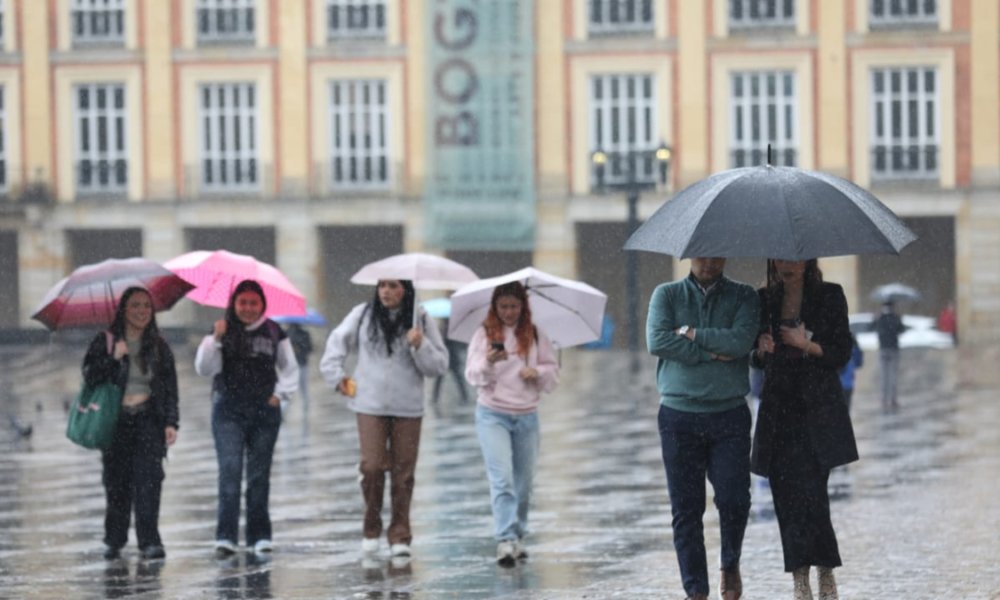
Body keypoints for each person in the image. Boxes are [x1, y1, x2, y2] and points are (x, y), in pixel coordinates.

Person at [645, 257, 759, 600]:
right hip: (679, 415)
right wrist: (711, 353)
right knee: (686, 508)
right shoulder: (666, 295)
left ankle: (730, 562)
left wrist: (693, 335)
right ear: (689, 256)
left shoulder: (744, 297)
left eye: (715, 255)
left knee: (735, 499)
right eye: (702, 255)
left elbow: (740, 343)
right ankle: (695, 589)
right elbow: (658, 342)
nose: (709, 263)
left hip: (730, 414)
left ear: (725, 256)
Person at [750, 259, 858, 600]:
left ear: (808, 258)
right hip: (778, 413)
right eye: (780, 256)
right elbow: (753, 355)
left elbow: (842, 352)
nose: (787, 264)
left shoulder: (830, 295)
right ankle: (799, 577)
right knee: (785, 497)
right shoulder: (764, 299)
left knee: (813, 495)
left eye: (794, 256)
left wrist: (805, 343)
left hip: (817, 412)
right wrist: (760, 351)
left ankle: (825, 569)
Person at [320, 279, 448, 559]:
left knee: (404, 474)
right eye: (382, 286)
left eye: (393, 286)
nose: (386, 292)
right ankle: (371, 524)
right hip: (370, 404)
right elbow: (336, 345)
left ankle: (400, 534)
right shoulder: (363, 314)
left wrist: (421, 344)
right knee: (372, 466)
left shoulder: (420, 318)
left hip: (408, 407)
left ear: (406, 290)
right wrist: (336, 377)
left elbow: (438, 365)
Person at [194, 279, 299, 558]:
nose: (248, 308)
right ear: (234, 304)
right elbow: (204, 369)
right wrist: (216, 340)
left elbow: (289, 368)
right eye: (243, 303)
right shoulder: (221, 329)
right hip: (228, 411)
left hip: (264, 412)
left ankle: (259, 535)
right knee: (230, 472)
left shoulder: (275, 331)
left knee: (258, 475)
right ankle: (225, 536)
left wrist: (281, 395)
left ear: (262, 304)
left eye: (254, 303)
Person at [463, 282, 560, 567]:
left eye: (514, 306)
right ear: (495, 307)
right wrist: (489, 363)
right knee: (502, 478)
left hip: (527, 414)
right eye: (503, 306)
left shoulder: (535, 334)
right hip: (493, 414)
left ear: (523, 307)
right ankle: (505, 538)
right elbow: (472, 374)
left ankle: (518, 534)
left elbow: (553, 373)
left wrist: (538, 372)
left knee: (524, 482)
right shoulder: (483, 334)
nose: (508, 312)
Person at [82, 286, 179, 561]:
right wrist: (114, 359)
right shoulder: (106, 341)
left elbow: (170, 388)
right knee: (117, 484)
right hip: (116, 422)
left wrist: (171, 422)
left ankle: (149, 540)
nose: (141, 311)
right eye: (135, 305)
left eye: (146, 306)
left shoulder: (159, 346)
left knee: (149, 482)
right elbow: (90, 375)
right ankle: (115, 538)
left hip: (149, 420)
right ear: (124, 309)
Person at [874, 301, 905, 413]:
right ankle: (892, 400)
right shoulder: (895, 317)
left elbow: (873, 327)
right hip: (893, 349)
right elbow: (902, 329)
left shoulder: (880, 318)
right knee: (893, 376)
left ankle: (883, 399)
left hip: (883, 349)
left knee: (884, 376)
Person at [431, 318, 470, 405]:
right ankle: (435, 397)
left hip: (451, 359)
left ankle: (464, 396)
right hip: (446, 359)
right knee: (442, 380)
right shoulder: (444, 331)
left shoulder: (450, 330)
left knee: (457, 379)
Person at [287, 323, 314, 411]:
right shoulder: (304, 334)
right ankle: (305, 406)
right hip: (298, 365)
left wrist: (299, 348)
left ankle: (286, 407)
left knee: (290, 387)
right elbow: (310, 349)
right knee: (301, 387)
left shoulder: (286, 333)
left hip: (296, 365)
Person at [838, 333, 864, 411]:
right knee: (846, 410)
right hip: (848, 385)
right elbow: (859, 363)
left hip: (837, 385)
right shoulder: (854, 349)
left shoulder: (838, 348)